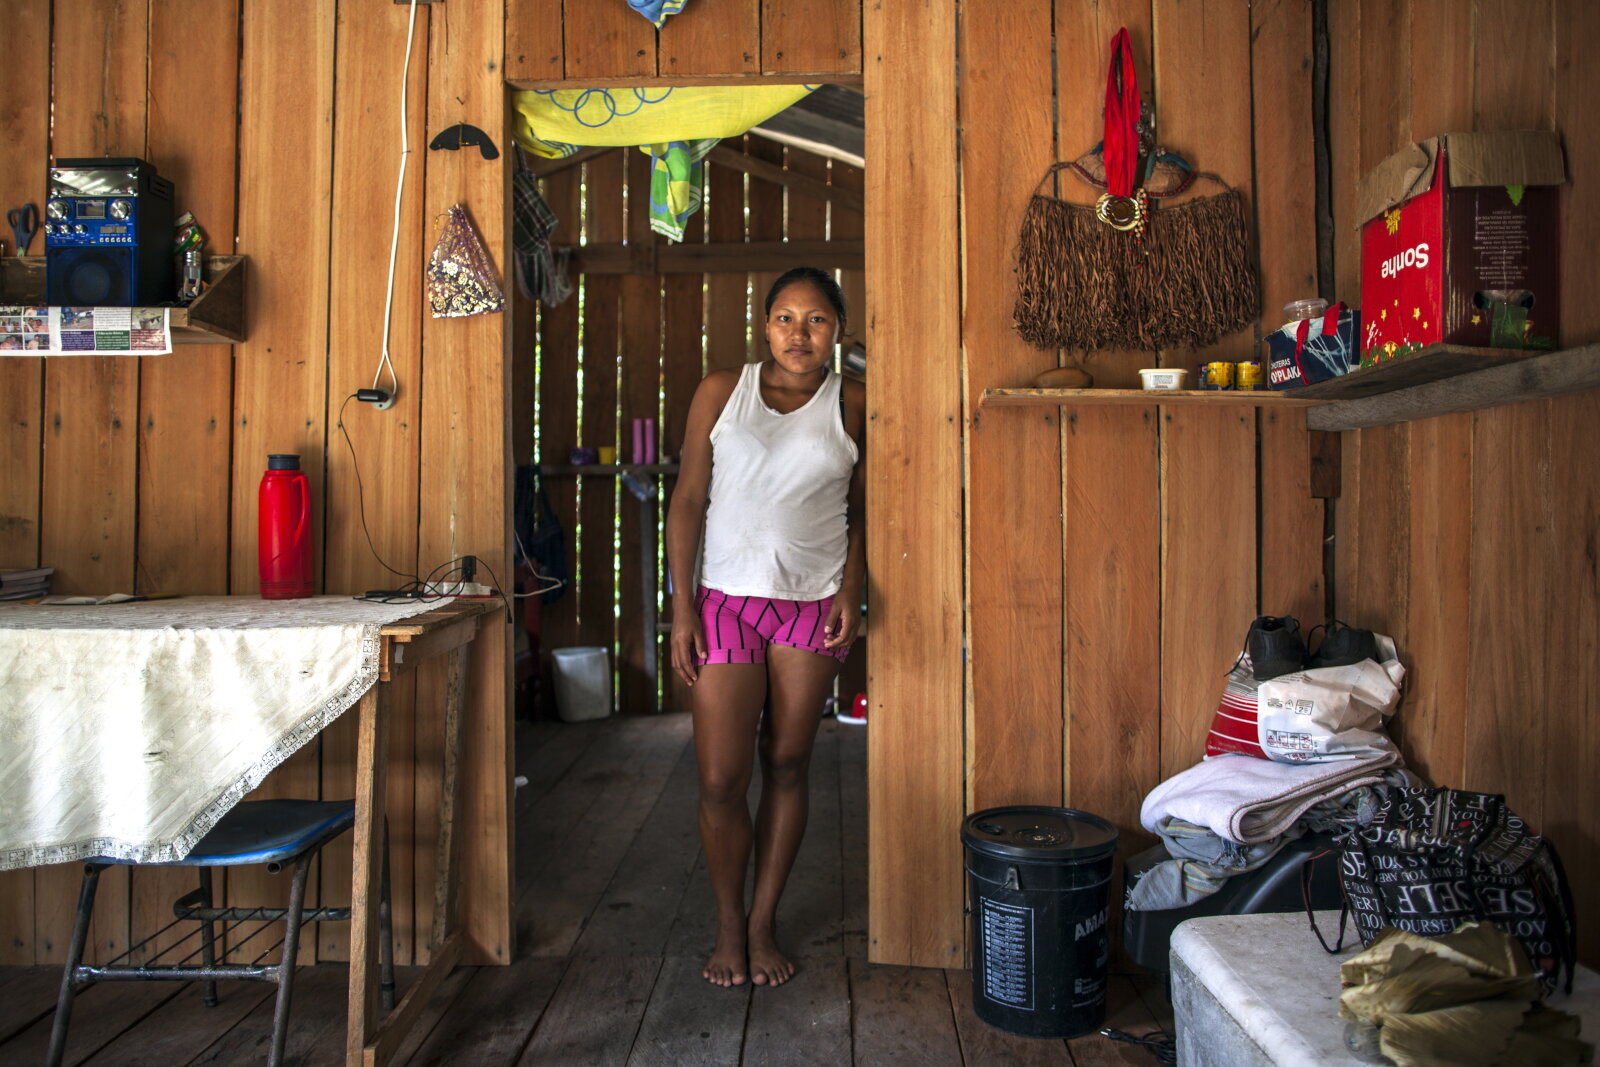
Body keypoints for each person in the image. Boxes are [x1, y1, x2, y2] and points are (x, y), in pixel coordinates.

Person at [666, 267, 866, 989]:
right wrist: (682, 605)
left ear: (837, 328)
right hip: (724, 602)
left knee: (787, 763)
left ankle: (762, 922)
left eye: (816, 320)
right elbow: (688, 498)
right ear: (764, 324)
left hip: (811, 604)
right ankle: (726, 921)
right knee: (721, 776)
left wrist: (853, 587)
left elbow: (867, 510)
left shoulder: (853, 402)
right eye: (785, 317)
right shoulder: (725, 390)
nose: (799, 334)